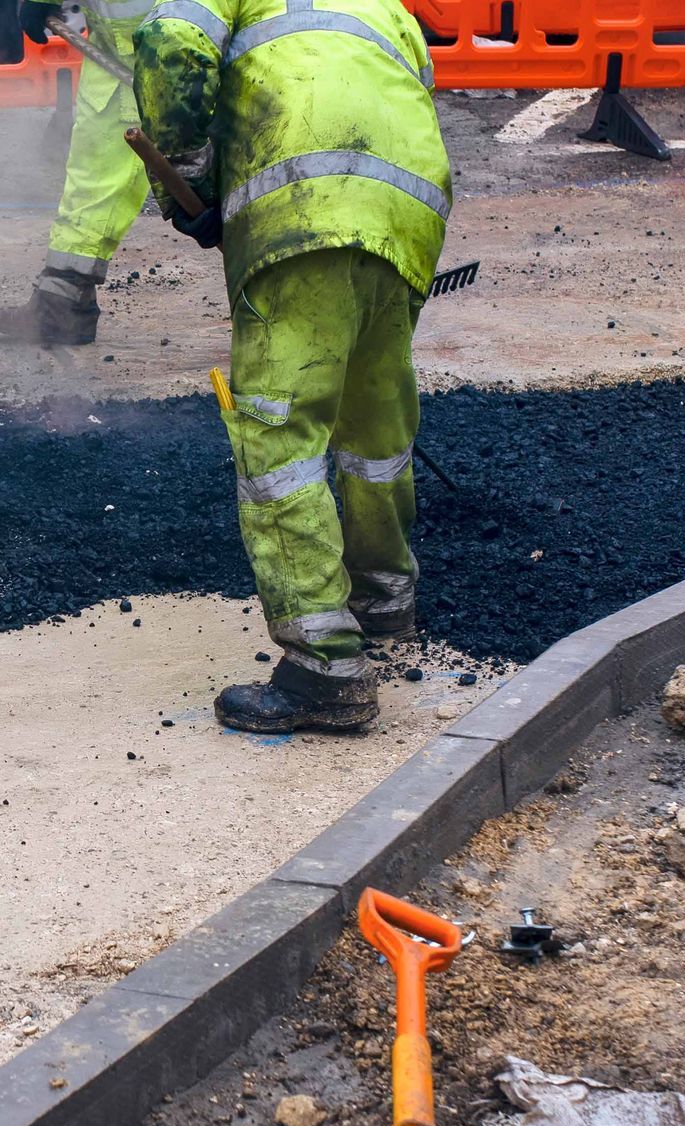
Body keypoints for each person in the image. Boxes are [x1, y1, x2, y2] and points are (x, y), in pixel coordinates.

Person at [131, 0, 451, 731]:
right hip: (407, 209)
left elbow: (169, 39)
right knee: (375, 422)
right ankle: (384, 600)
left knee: (281, 440)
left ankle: (325, 669)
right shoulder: (385, 7)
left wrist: (189, 178)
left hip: (304, 209)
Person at [0, 0, 155, 346]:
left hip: (138, 46)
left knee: (96, 180)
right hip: (164, 39)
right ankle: (65, 302)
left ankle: (61, 305)